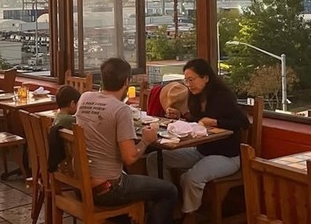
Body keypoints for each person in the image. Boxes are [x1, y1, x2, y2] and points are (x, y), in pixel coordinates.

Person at [75, 57, 177, 224]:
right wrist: (146, 140)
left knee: (139, 181)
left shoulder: (84, 98)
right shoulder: (121, 110)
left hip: (81, 185)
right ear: (126, 82)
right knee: (169, 191)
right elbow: (129, 158)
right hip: (108, 189)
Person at [146, 58, 249, 220]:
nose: (189, 84)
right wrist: (180, 116)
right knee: (154, 159)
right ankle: (167, 205)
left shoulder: (222, 97)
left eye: (192, 79)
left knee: (190, 178)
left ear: (205, 78)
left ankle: (189, 214)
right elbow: (197, 123)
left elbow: (242, 122)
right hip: (201, 150)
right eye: (186, 80)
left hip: (227, 156)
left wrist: (214, 122)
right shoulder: (194, 97)